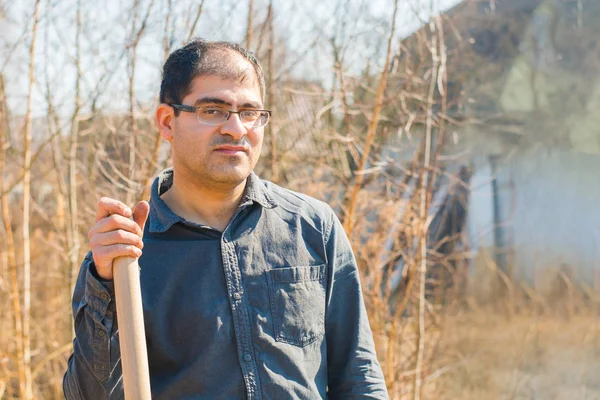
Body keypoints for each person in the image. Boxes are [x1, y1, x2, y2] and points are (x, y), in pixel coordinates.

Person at [63, 38, 388, 399]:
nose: (236, 129)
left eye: (250, 112)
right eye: (213, 110)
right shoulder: (124, 254)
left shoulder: (313, 226)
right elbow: (87, 394)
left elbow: (359, 375)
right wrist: (104, 286)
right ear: (168, 122)